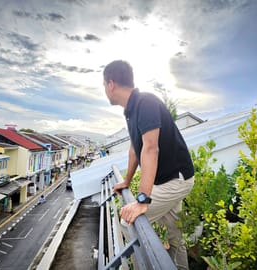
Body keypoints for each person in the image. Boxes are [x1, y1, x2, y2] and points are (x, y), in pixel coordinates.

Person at [103, 60, 195, 270]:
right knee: (175, 236)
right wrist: (126, 181)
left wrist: (142, 199)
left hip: (176, 179)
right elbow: (136, 149)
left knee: (129, 223)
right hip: (165, 181)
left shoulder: (146, 103)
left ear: (111, 84)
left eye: (104, 86)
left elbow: (151, 148)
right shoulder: (131, 110)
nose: (105, 91)